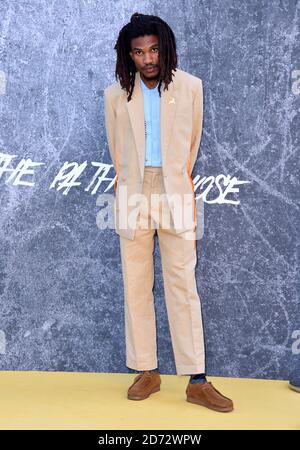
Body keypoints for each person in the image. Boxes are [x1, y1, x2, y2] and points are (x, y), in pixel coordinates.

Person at [104, 12, 234, 413]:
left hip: (175, 188)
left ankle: (197, 380)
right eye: (139, 52)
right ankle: (147, 370)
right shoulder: (115, 95)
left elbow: (191, 144)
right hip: (132, 192)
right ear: (129, 56)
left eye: (154, 49)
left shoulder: (191, 87)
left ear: (166, 48)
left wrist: (173, 179)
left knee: (182, 284)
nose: (148, 59)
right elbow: (117, 151)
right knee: (136, 285)